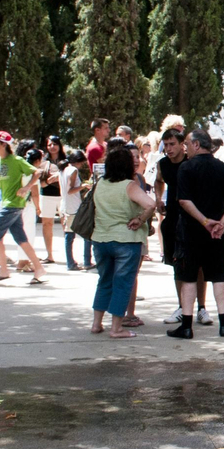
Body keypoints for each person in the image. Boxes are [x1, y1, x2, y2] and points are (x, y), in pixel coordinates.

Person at [167, 129, 224, 339]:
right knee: (219, 276)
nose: (186, 149)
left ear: (197, 145)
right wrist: (221, 223)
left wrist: (204, 221)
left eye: (188, 145)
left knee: (189, 277)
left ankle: (187, 325)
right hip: (217, 234)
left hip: (190, 232)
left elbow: (184, 200)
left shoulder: (186, 168)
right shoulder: (223, 168)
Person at [89, 144, 156, 339]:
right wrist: (140, 219)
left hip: (101, 240)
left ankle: (96, 323)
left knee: (104, 281)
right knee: (122, 283)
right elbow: (150, 204)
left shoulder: (100, 183)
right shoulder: (129, 186)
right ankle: (117, 328)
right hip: (126, 240)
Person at [154, 128, 209, 325]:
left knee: (199, 266)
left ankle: (202, 307)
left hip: (193, 220)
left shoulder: (192, 163)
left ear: (181, 145)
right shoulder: (162, 164)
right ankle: (181, 306)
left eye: (172, 144)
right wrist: (159, 198)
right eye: (165, 145)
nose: (168, 149)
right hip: (172, 220)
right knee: (177, 265)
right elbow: (158, 181)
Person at [0, 132, 46, 285]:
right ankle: (39, 268)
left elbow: (37, 172)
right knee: (20, 238)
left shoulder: (17, 161)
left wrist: (27, 188)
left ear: (4, 145)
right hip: (7, 203)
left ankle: (3, 270)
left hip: (14, 204)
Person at [59, 149, 92, 270]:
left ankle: (70, 262)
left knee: (69, 235)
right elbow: (71, 189)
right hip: (75, 206)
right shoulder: (73, 170)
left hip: (66, 206)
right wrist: (83, 186)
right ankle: (87, 261)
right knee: (87, 233)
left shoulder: (63, 169)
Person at [39, 136, 66, 263]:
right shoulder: (43, 161)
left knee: (65, 224)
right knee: (47, 224)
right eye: (50, 144)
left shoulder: (66, 161)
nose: (52, 147)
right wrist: (50, 179)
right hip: (46, 195)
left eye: (55, 144)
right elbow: (42, 182)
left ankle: (69, 255)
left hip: (62, 195)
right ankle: (49, 255)